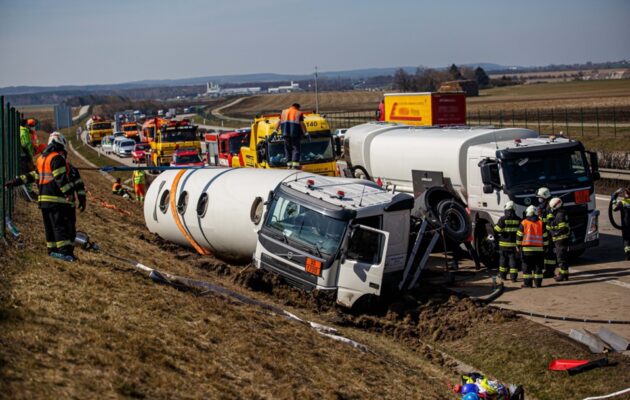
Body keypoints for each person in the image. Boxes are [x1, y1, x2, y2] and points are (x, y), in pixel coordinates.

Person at [4, 132, 85, 261]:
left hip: (44, 201)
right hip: (56, 200)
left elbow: (32, 176)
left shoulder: (42, 159)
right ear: (61, 144)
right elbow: (60, 179)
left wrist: (15, 182)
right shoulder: (57, 158)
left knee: (50, 227)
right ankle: (66, 253)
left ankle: (52, 250)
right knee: (60, 227)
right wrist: (68, 193)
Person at [516, 205, 549, 288]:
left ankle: (527, 284)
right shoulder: (541, 223)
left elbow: (519, 236)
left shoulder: (524, 223)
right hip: (539, 250)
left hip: (527, 250)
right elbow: (545, 237)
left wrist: (518, 245)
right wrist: (546, 246)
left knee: (527, 268)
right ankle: (538, 283)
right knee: (538, 267)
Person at [493, 201, 521, 281]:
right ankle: (513, 277)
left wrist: (495, 226)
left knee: (503, 261)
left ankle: (503, 276)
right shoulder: (518, 219)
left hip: (503, 245)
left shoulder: (503, 219)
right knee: (513, 261)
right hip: (513, 245)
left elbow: (497, 230)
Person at [276, 103, 307, 169]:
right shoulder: (299, 113)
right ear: (297, 107)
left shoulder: (284, 112)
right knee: (295, 148)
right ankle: (295, 165)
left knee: (287, 149)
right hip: (295, 134)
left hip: (285, 134)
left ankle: (289, 165)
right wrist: (306, 133)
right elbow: (302, 124)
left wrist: (275, 130)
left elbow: (279, 122)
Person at [546, 197, 571, 281]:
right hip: (562, 239)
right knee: (563, 257)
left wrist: (554, 232)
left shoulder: (560, 215)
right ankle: (565, 274)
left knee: (561, 258)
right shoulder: (561, 213)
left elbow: (562, 228)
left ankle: (562, 275)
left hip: (560, 239)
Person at [536, 186, 556, 278]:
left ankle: (550, 271)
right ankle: (548, 270)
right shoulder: (545, 205)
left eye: (540, 197)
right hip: (545, 232)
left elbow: (549, 221)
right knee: (547, 252)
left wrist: (540, 217)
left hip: (548, 233)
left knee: (549, 252)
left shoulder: (549, 207)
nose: (539, 199)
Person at [612, 188, 630, 260]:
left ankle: (628, 255)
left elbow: (614, 208)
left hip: (626, 225)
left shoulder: (623, 202)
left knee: (626, 240)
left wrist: (615, 197)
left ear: (626, 193)